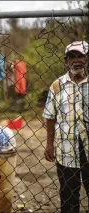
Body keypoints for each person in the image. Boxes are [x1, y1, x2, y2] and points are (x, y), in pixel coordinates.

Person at [43, 40, 89, 213]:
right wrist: (49, 144)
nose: (76, 60)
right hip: (66, 151)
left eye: (80, 56)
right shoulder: (56, 86)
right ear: (66, 61)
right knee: (69, 198)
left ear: (86, 58)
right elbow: (50, 116)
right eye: (72, 57)